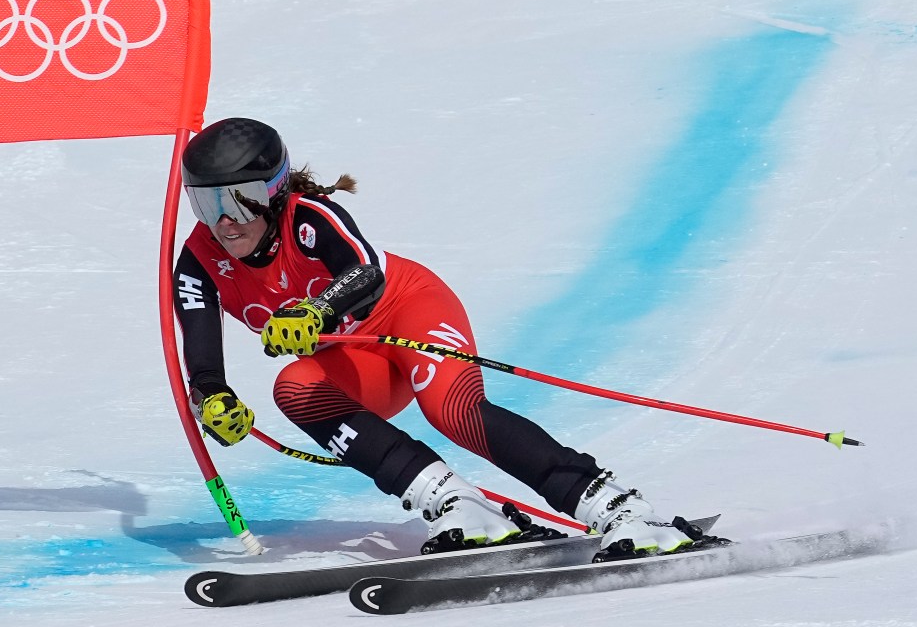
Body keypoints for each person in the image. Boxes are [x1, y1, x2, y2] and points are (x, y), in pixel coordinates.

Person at [173, 117, 699, 556]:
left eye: (239, 202)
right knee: (294, 388)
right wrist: (213, 400)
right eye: (206, 204)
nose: (225, 222)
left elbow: (366, 271)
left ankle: (618, 508)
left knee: (452, 409)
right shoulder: (199, 261)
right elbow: (201, 366)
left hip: (408, 315)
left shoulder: (309, 217)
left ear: (276, 192)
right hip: (362, 362)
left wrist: (320, 309)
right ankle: (457, 504)